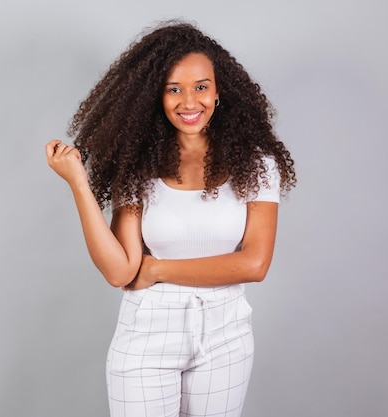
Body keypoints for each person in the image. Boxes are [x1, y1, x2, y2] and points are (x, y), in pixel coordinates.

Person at [44, 20, 296, 417]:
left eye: (201, 87)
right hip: (148, 332)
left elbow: (255, 263)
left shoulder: (257, 165)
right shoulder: (137, 167)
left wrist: (159, 268)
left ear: (219, 92)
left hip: (225, 334)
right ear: (154, 97)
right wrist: (79, 183)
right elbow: (119, 271)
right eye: (173, 89)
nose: (189, 101)